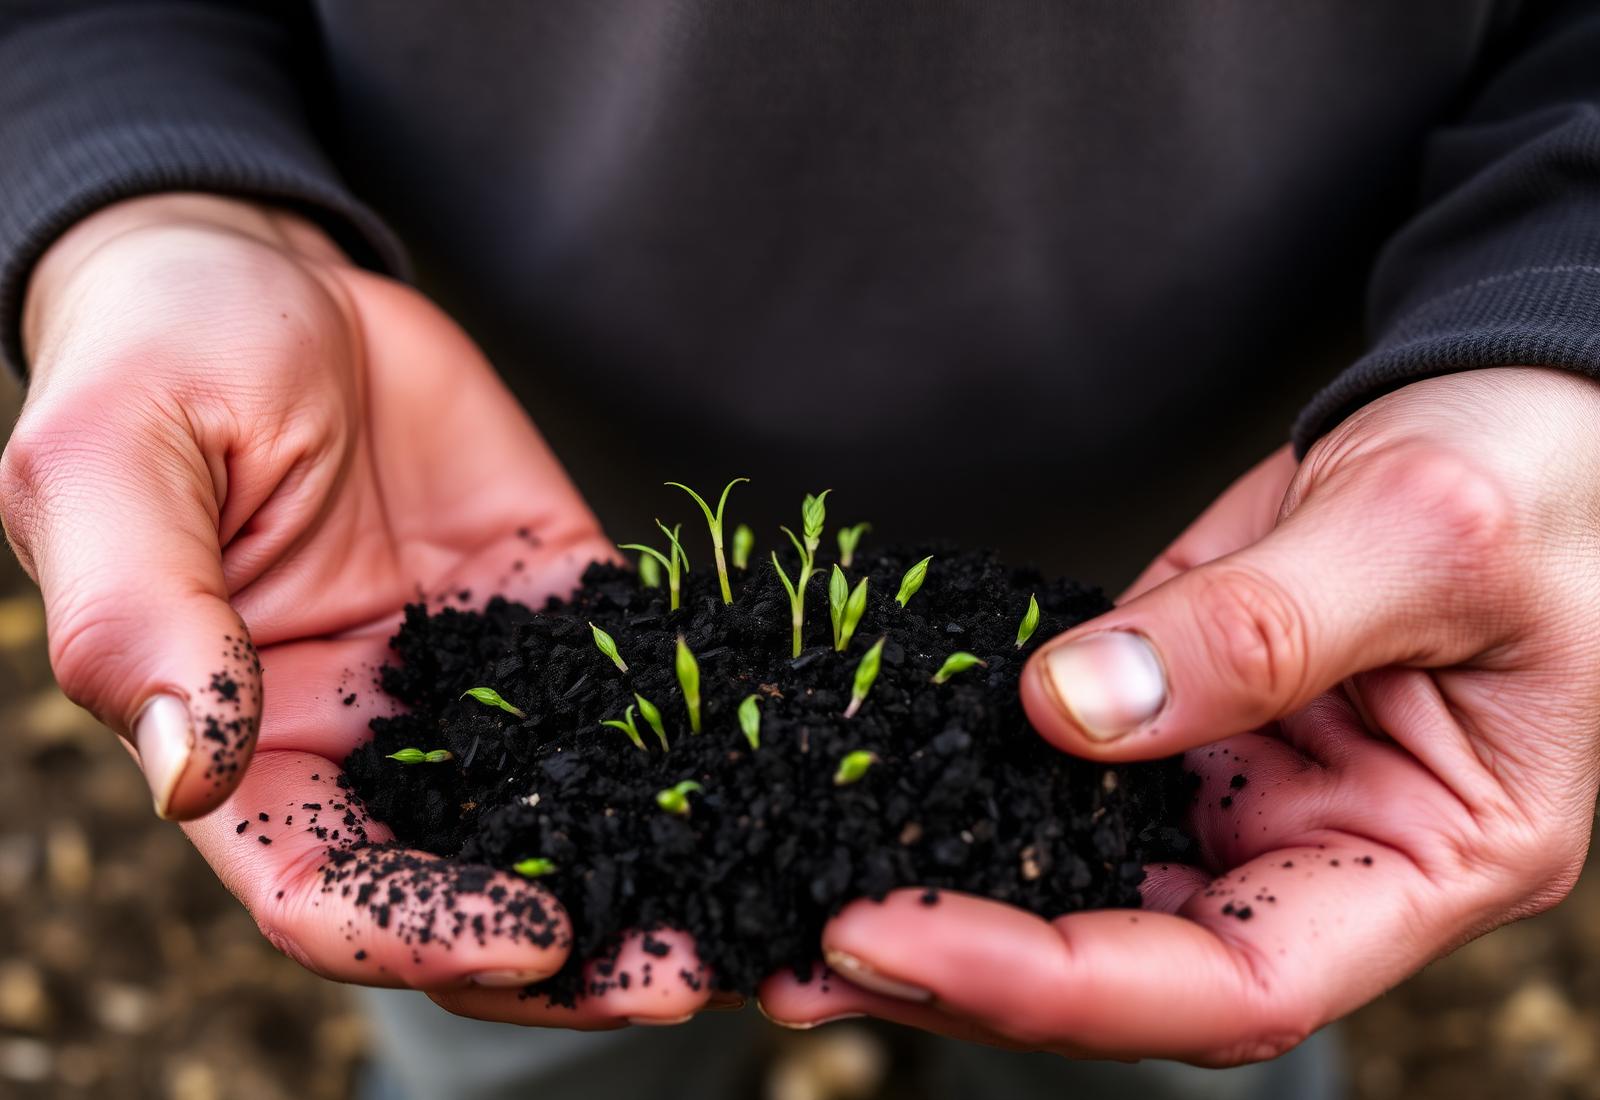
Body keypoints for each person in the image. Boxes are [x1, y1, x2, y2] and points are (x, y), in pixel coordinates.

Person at [1, 1, 1598, 1096]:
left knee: (1163, 1031)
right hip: (446, 502)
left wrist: (1546, 351)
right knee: (516, 1006)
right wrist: (168, 205)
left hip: (1250, 619)